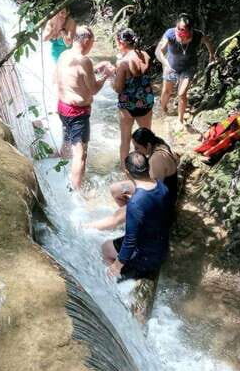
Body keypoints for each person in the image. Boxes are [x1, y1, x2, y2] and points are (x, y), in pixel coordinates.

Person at [55, 26, 113, 189]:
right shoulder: (85, 60)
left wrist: (95, 69)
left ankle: (59, 173)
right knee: (80, 155)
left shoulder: (64, 55)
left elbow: (76, 75)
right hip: (77, 114)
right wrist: (105, 75)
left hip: (62, 107)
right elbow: (93, 89)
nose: (92, 46)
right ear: (86, 41)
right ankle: (76, 193)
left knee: (67, 145)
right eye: (92, 42)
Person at [86, 127, 178, 230]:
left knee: (117, 216)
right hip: (157, 192)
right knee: (115, 189)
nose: (135, 151)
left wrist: (133, 200)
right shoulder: (159, 144)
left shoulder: (157, 159)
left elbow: (152, 192)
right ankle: (134, 219)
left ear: (147, 145)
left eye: (137, 148)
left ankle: (86, 228)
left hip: (163, 204)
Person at [100, 152, 171, 280]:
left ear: (127, 172)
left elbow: (130, 241)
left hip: (146, 256)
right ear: (148, 167)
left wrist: (116, 265)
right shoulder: (162, 187)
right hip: (162, 246)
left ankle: (117, 280)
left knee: (105, 248)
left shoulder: (135, 204)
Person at [155, 13, 215, 125]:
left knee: (182, 93)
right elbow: (159, 51)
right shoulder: (170, 34)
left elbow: (207, 41)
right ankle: (163, 110)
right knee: (166, 92)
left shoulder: (197, 35)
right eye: (178, 28)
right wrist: (165, 63)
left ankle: (180, 120)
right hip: (171, 66)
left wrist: (212, 55)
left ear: (190, 29)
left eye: (183, 30)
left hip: (189, 67)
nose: (179, 32)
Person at [112, 28, 154, 167]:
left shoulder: (123, 63)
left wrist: (111, 76)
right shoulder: (145, 55)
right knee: (146, 138)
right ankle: (148, 167)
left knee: (125, 141)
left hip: (128, 105)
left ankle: (126, 171)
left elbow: (118, 88)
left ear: (120, 42)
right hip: (145, 104)